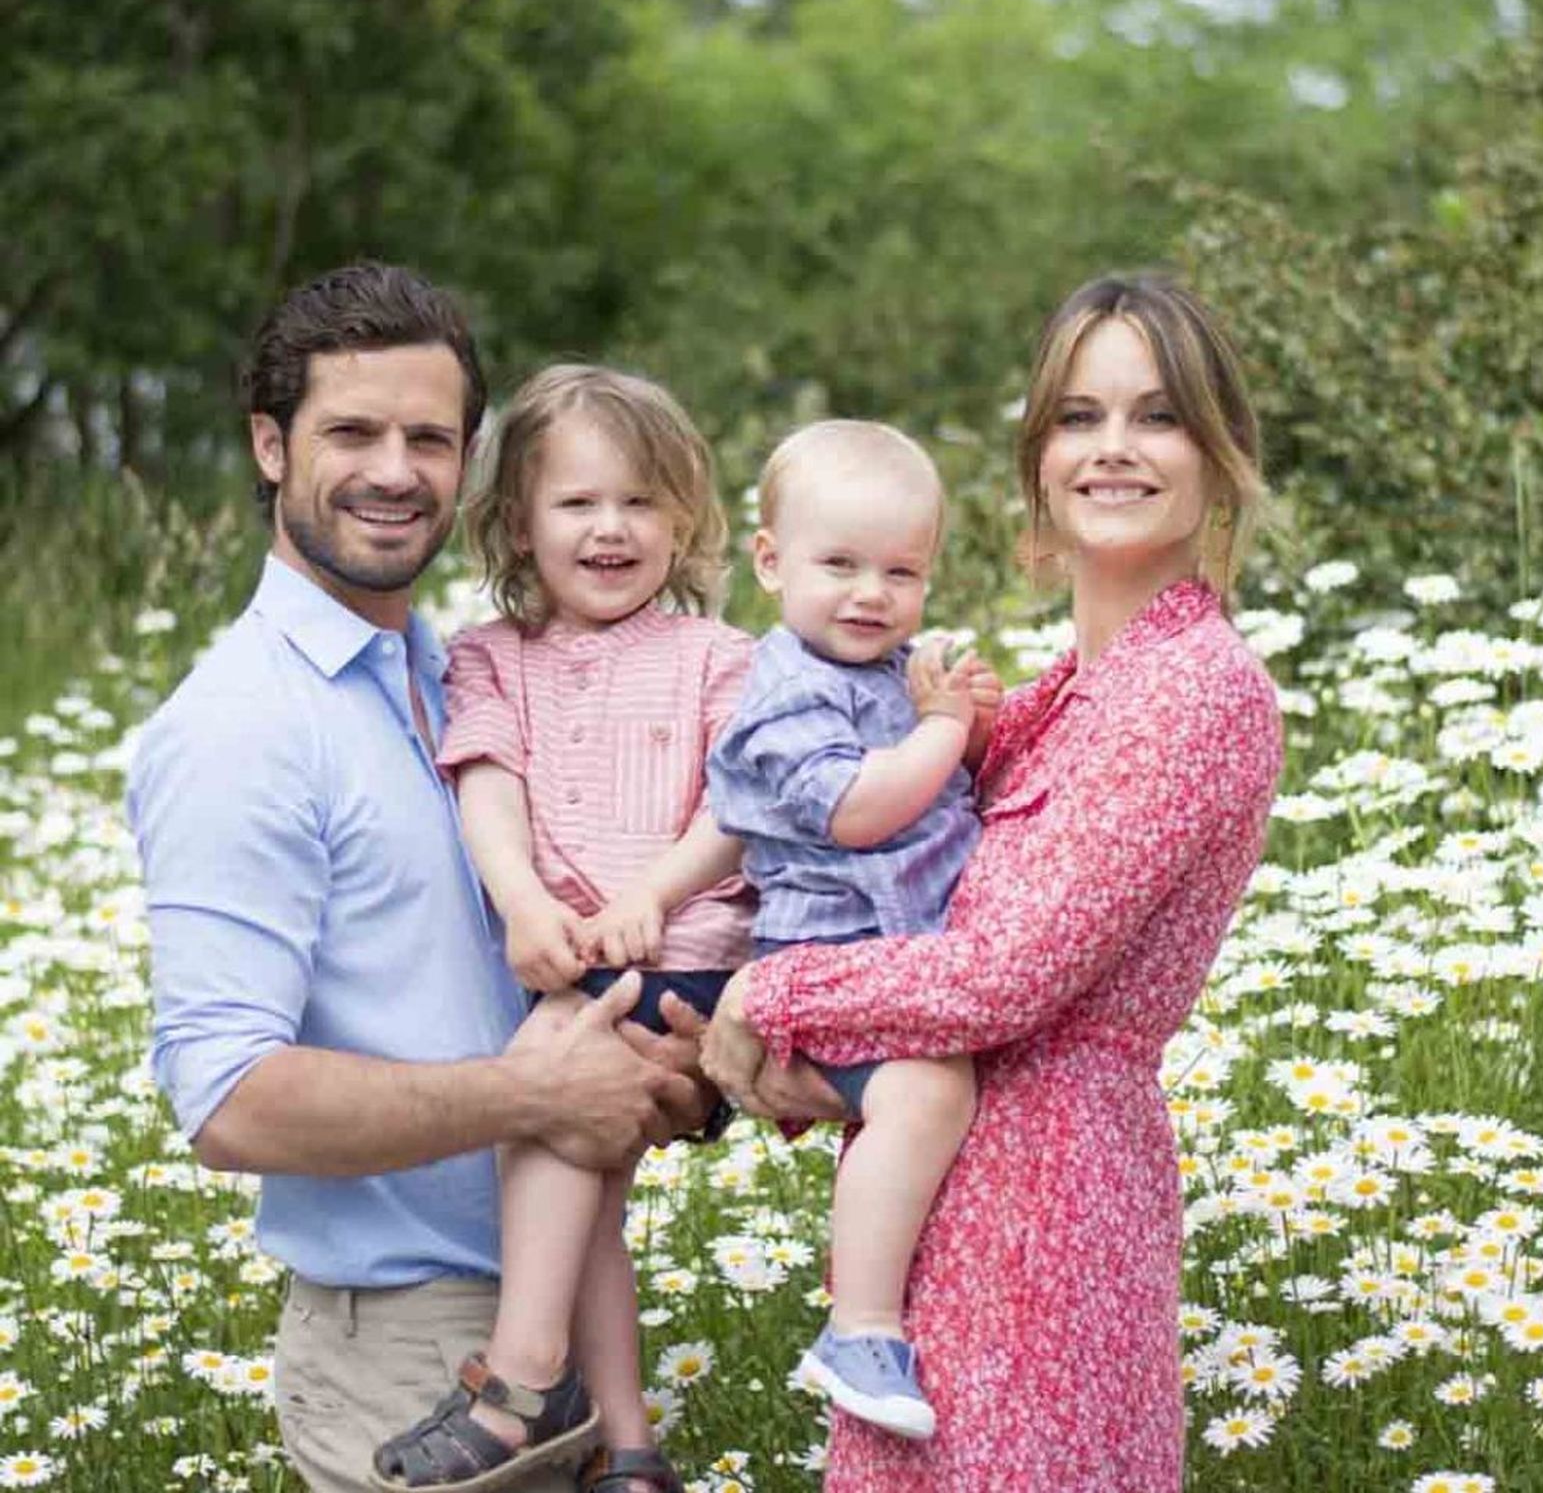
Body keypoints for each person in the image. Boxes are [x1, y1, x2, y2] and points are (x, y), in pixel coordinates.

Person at [128, 265, 708, 1493]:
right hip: (408, 1357)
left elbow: (558, 1014)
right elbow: (227, 1099)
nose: (394, 469)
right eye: (351, 431)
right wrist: (529, 1095)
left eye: (429, 438)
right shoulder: (243, 726)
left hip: (568, 1310)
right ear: (270, 446)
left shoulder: (469, 675)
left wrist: (663, 1079)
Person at [702, 273, 1284, 1490]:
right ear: (1036, 455)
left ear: (1219, 453)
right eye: (1077, 416)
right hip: (949, 1218)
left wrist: (768, 996)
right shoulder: (1064, 692)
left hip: (1047, 1225)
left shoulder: (1195, 688)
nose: (1111, 448)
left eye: (1156, 414)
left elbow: (999, 975)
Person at [366, 364, 756, 1493]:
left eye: (639, 501)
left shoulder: (719, 660)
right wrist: (525, 905)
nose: (610, 527)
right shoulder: (494, 656)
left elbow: (742, 804)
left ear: (682, 517)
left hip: (682, 959)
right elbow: (488, 782)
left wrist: (656, 893)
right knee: (581, 1189)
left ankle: (524, 1381)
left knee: (540, 1092)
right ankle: (628, 1445)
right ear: (517, 522)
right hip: (574, 959)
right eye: (577, 502)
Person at [705, 420, 999, 1440]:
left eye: (901, 570)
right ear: (771, 562)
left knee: (934, 1094)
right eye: (839, 565)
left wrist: (971, 715)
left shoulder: (892, 669)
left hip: (897, 949)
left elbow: (944, 775)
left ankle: (881, 1316)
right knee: (925, 1091)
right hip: (824, 960)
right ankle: (861, 1327)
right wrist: (944, 731)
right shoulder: (784, 692)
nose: (870, 593)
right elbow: (859, 810)